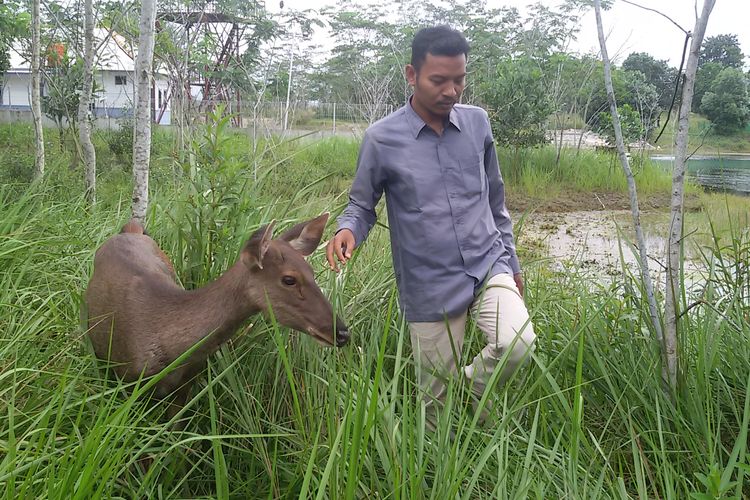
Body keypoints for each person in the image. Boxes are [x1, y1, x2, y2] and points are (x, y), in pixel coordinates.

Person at [325, 25, 535, 422]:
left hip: (487, 264)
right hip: (429, 283)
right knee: (434, 408)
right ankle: (450, 458)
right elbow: (362, 204)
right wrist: (347, 229)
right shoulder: (381, 138)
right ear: (411, 74)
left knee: (518, 342)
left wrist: (513, 263)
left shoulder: (477, 124)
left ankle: (470, 390)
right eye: (439, 80)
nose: (452, 91)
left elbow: (495, 201)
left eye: (459, 80)